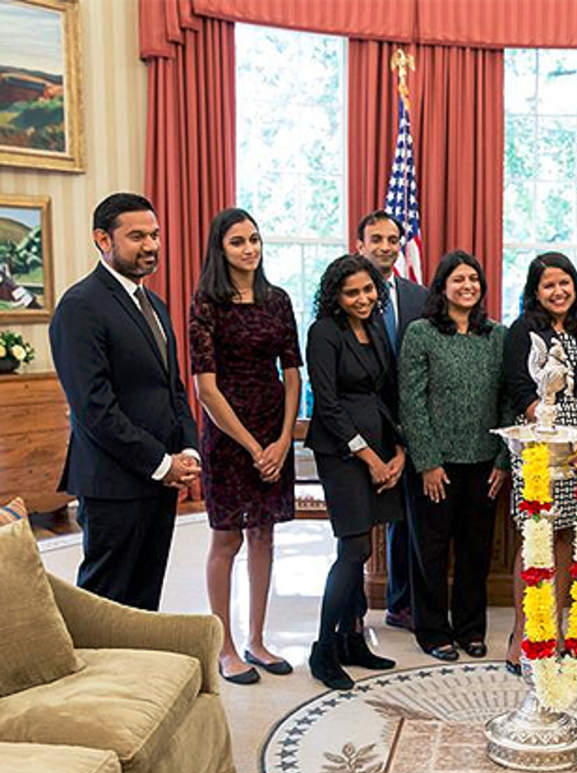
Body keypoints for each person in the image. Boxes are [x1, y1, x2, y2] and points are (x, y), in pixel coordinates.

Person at [49, 192, 201, 611]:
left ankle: (141, 678)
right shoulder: (80, 306)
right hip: (113, 484)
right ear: (102, 239)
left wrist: (187, 449)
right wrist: (160, 461)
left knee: (145, 603)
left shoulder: (155, 304)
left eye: (154, 234)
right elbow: (94, 409)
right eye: (137, 236)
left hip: (160, 481)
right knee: (107, 606)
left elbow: (173, 388)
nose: (151, 245)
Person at [188, 208, 301, 684]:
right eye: (238, 242)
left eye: (254, 239)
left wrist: (280, 439)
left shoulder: (277, 300)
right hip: (229, 433)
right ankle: (225, 646)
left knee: (265, 533)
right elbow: (205, 389)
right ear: (221, 248)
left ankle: (256, 639)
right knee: (228, 536)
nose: (249, 248)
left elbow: (293, 374)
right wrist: (254, 446)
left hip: (274, 427)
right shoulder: (206, 305)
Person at [502, 252, 577, 675]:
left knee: (567, 538)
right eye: (548, 285)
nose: (558, 291)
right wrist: (556, 428)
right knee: (534, 539)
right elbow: (517, 390)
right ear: (535, 292)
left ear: (575, 287)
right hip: (537, 450)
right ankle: (523, 633)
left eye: (564, 283)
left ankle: (559, 630)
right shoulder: (521, 333)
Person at [399, 250, 509, 661]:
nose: (468, 286)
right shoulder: (421, 333)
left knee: (475, 551)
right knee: (429, 550)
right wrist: (427, 461)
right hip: (435, 465)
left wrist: (502, 460)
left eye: (474, 280)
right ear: (442, 287)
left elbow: (508, 400)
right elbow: (411, 401)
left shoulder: (497, 335)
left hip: (484, 464)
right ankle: (431, 631)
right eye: (459, 279)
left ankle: (470, 629)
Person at [304, 255, 402, 690]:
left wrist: (398, 449)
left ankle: (354, 639)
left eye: (367, 290)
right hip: (341, 451)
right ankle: (323, 648)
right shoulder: (323, 333)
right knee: (354, 547)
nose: (362, 299)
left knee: (365, 545)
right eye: (352, 293)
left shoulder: (377, 328)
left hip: (381, 443)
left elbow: (387, 392)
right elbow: (326, 403)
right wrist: (370, 458)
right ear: (336, 296)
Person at [356, 210, 428, 632]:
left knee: (407, 517)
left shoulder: (418, 296)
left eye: (392, 238)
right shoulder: (349, 292)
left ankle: (401, 602)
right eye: (376, 239)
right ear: (361, 245)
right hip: (362, 423)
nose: (386, 246)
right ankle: (351, 610)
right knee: (359, 520)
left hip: (408, 422)